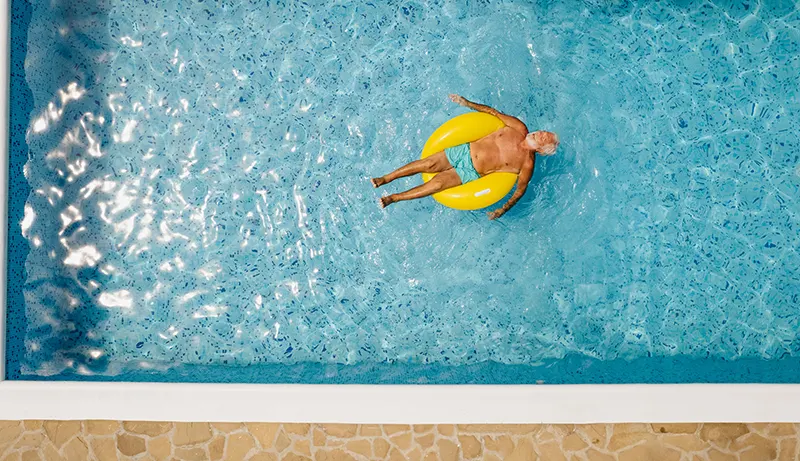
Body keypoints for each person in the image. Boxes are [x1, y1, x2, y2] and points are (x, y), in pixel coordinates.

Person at [372, 94, 559, 220]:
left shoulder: (526, 164)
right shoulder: (519, 128)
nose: (539, 133)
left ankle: (394, 198)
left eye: (543, 138)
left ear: (541, 150)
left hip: (469, 171)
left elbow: (520, 190)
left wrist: (503, 209)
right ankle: (386, 178)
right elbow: (493, 112)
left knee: (436, 185)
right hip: (464, 151)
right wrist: (467, 103)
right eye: (542, 131)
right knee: (428, 164)